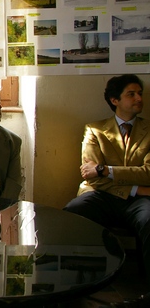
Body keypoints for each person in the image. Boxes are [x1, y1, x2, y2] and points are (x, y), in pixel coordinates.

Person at [63, 74, 150, 307]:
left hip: (141, 201)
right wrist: (135, 188)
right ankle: (72, 283)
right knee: (73, 211)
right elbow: (90, 176)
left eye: (140, 93)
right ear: (115, 100)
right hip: (104, 195)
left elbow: (149, 172)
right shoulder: (94, 129)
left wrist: (104, 169)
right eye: (131, 94)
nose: (139, 98)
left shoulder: (149, 129)